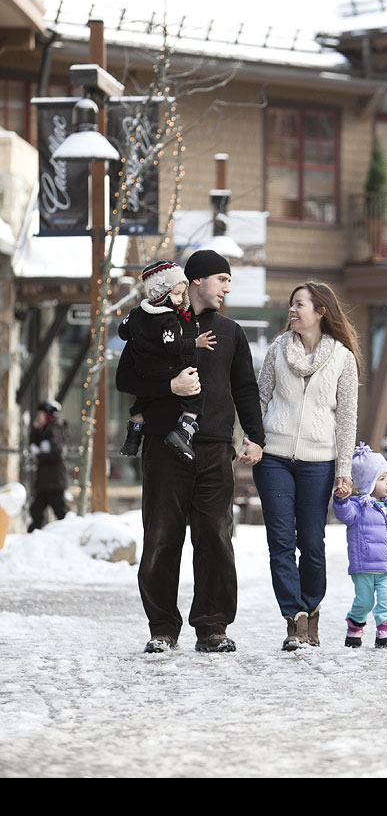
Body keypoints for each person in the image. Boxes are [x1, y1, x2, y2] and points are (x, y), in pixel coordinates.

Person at [115, 249, 265, 653]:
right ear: (197, 280)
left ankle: (213, 625)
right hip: (165, 446)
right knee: (162, 537)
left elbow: (245, 389)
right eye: (222, 279)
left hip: (215, 448)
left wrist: (255, 435)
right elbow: (125, 377)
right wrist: (168, 388)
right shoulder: (154, 324)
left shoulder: (232, 332)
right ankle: (162, 627)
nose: (227, 288)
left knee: (216, 537)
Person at [253, 280, 360, 651]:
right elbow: (260, 398)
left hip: (320, 462)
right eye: (292, 304)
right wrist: (251, 439)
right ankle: (294, 618)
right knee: (280, 542)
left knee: (312, 543)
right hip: (274, 459)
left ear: (321, 312)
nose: (292, 310)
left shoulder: (343, 359)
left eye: (300, 304)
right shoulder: (276, 350)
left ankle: (312, 609)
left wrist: (343, 472)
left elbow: (347, 419)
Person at [118, 259, 215, 464]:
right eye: (177, 294)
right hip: (166, 369)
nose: (180, 299)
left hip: (143, 370)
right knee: (196, 389)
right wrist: (194, 343)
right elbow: (172, 345)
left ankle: (133, 436)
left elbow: (122, 331)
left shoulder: (136, 314)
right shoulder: (168, 319)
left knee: (143, 400)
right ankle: (183, 431)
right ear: (161, 294)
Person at [333, 443, 387, 649]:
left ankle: (384, 634)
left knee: (386, 602)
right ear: (367, 483)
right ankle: (354, 628)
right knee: (364, 602)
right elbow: (344, 514)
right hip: (364, 566)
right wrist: (341, 500)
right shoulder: (357, 507)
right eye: (381, 478)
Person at [28, 400, 70, 532]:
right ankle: (30, 540)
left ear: (48, 415)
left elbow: (56, 452)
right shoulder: (44, 429)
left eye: (40, 414)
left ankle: (70, 535)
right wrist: (35, 429)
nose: (38, 417)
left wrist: (39, 455)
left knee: (61, 512)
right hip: (45, 482)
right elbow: (34, 443)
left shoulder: (55, 428)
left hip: (54, 481)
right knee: (36, 511)